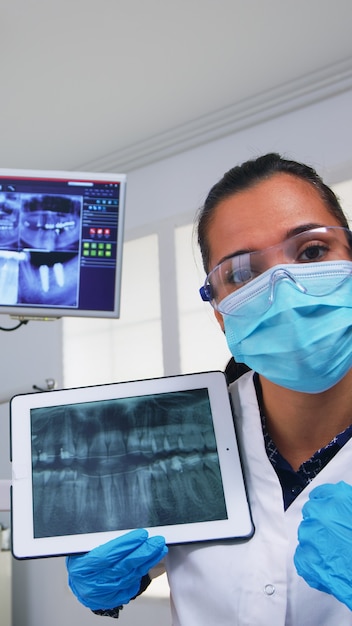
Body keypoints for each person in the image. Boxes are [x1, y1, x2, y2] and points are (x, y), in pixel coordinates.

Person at [66, 153, 352, 625]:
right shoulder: (179, 433)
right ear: (220, 312)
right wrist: (115, 581)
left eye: (311, 251)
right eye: (241, 273)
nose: (283, 286)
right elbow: (139, 554)